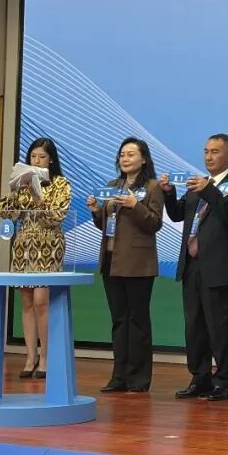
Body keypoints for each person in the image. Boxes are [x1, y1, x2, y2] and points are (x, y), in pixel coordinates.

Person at [161, 134, 228, 402]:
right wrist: (168, 193)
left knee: (220, 327)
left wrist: (209, 190)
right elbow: (177, 214)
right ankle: (200, 378)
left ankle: (223, 382)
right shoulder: (197, 185)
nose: (209, 156)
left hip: (217, 266)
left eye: (215, 152)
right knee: (194, 326)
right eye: (206, 151)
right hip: (191, 265)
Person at [86, 137, 164, 393]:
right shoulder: (113, 185)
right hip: (112, 260)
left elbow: (154, 223)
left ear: (144, 159)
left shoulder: (152, 187)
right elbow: (107, 225)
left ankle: (138, 378)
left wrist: (135, 206)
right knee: (119, 320)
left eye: (131, 154)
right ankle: (119, 376)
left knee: (137, 320)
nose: (125, 158)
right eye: (122, 154)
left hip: (138, 263)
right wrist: (96, 211)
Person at [0, 137, 72, 379]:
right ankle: (30, 357)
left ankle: (46, 357)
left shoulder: (60, 184)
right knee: (27, 301)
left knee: (42, 301)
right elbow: (7, 214)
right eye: (33, 156)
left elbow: (56, 217)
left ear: (51, 160)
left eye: (41, 157)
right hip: (24, 245)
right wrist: (14, 190)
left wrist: (37, 196)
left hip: (48, 245)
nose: (37, 160)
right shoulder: (22, 183)